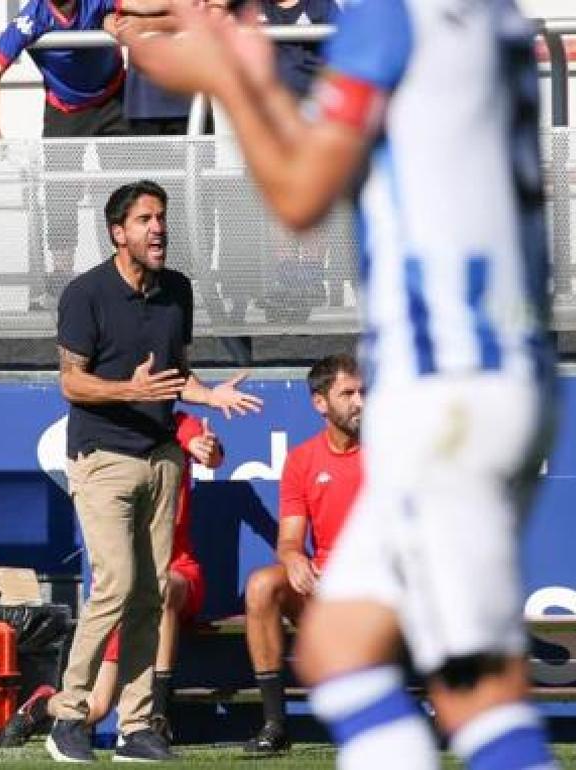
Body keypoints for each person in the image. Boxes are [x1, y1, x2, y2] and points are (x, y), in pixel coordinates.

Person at [125, 2, 559, 768]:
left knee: (477, 691)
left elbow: (300, 194)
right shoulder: (490, 15)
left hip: (449, 387)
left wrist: (225, 75)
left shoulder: (395, 15)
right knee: (340, 651)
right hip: (493, 374)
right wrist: (249, 67)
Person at [49, 179, 261, 762]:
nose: (158, 228)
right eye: (145, 220)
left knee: (151, 594)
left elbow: (176, 376)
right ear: (119, 234)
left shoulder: (178, 291)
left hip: (162, 459)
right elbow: (71, 381)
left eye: (161, 217)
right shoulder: (85, 293)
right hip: (103, 458)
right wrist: (127, 389)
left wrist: (209, 395)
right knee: (115, 585)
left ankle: (136, 726)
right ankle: (69, 715)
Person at [0, 410, 223, 749]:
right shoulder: (109, 436)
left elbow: (208, 448)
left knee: (162, 588)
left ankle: (151, 718)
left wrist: (205, 446)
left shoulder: (175, 420)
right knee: (98, 707)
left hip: (177, 572)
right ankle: (44, 705)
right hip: (126, 586)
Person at [0, 0, 176, 309]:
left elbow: (141, 4)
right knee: (60, 190)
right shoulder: (33, 18)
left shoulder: (93, 2)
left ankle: (134, 267)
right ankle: (61, 276)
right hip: (66, 109)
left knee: (129, 186)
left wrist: (179, 7)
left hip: (112, 97)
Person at [242, 353, 363, 754]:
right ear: (320, 403)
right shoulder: (302, 460)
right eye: (348, 393)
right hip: (324, 590)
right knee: (262, 585)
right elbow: (291, 540)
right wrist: (293, 558)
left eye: (363, 392)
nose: (359, 402)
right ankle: (276, 724)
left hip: (378, 590)